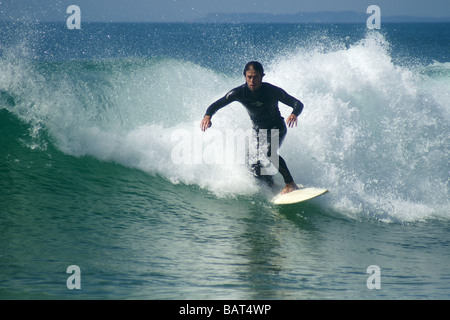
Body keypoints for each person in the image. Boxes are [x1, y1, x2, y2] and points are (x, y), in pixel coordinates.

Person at [200, 61, 304, 194]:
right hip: (259, 131)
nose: (252, 80)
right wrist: (208, 116)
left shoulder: (272, 91)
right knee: (252, 162)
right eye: (249, 77)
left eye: (255, 77)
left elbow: (297, 103)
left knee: (270, 153)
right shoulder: (239, 92)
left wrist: (294, 113)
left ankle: (290, 183)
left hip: (276, 127)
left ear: (262, 76)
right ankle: (270, 184)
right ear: (244, 76)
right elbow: (216, 104)